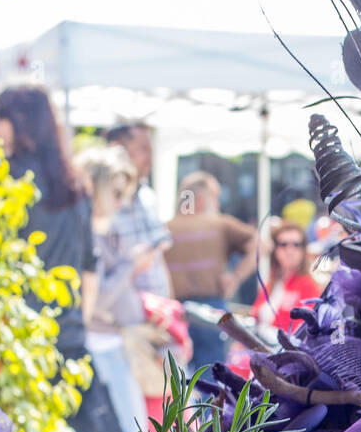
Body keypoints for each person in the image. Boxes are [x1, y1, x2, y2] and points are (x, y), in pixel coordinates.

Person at [0, 85, 119, 432]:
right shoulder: (74, 185)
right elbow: (89, 266)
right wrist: (77, 320)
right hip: (68, 339)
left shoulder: (4, 178)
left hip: (15, 343)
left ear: (21, 122)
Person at [76, 145, 150, 432]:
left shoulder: (96, 232)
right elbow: (96, 299)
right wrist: (131, 265)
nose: (120, 203)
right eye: (116, 194)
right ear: (97, 187)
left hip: (110, 342)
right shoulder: (86, 235)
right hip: (102, 344)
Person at [165, 171, 257, 372]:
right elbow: (260, 245)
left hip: (174, 311)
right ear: (200, 200)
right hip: (210, 309)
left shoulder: (165, 229)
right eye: (215, 197)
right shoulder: (220, 224)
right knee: (210, 376)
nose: (217, 204)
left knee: (176, 376)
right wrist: (235, 277)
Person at [103, 123, 173, 298]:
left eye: (150, 150)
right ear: (117, 149)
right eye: (143, 149)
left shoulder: (148, 196)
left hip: (159, 310)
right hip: (123, 312)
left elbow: (159, 259)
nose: (150, 158)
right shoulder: (102, 205)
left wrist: (171, 304)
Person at [252, 222, 323, 337]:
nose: (290, 251)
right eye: (283, 244)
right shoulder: (271, 282)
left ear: (303, 250)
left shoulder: (308, 286)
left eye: (296, 245)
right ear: (275, 249)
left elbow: (303, 332)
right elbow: (255, 314)